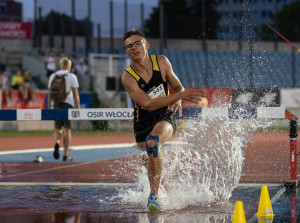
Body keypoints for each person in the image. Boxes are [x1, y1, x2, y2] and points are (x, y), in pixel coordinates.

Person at [121, 29, 206, 211]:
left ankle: (153, 197)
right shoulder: (127, 77)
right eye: (130, 46)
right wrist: (180, 95)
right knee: (153, 168)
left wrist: (180, 97)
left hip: (164, 117)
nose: (134, 48)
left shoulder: (161, 61)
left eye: (138, 43)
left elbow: (176, 86)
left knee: (154, 142)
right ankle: (166, 195)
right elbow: (148, 104)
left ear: (146, 45)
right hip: (142, 123)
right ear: (127, 52)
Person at [48, 57, 80, 162]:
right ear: (68, 66)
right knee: (67, 130)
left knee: (57, 128)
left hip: (56, 104)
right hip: (68, 105)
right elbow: (75, 94)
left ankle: (57, 143)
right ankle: (66, 154)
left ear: (61, 65)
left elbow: (50, 94)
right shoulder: (71, 76)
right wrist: (78, 107)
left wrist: (50, 107)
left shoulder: (53, 76)